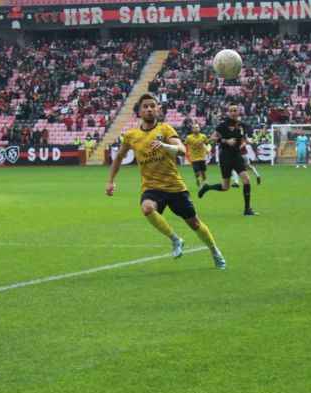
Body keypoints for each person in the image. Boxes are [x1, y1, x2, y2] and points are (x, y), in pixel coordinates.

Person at [105, 93, 226, 269]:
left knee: (194, 223)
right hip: (152, 187)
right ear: (139, 111)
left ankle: (215, 251)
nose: (149, 109)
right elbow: (118, 158)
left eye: (152, 106)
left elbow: (182, 150)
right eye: (145, 106)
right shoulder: (131, 135)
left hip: (175, 186)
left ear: (158, 110)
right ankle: (175, 239)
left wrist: (164, 146)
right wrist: (110, 181)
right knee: (147, 208)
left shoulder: (165, 129)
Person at [198, 103, 257, 216]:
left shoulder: (241, 125)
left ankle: (247, 209)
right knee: (225, 187)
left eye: (236, 110)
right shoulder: (223, 125)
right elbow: (212, 138)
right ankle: (207, 187)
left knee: (246, 179)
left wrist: (247, 141)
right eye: (232, 110)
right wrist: (225, 141)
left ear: (239, 112)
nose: (234, 112)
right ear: (228, 113)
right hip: (225, 156)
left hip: (237, 156)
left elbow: (243, 137)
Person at [184, 122, 210, 187]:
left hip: (202, 157)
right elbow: (184, 145)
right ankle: (199, 181)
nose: (195, 129)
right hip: (194, 158)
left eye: (197, 127)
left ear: (199, 128)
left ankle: (204, 182)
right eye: (194, 128)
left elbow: (208, 144)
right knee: (197, 172)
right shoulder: (188, 137)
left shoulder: (203, 136)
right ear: (192, 130)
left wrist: (208, 149)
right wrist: (186, 152)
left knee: (203, 172)